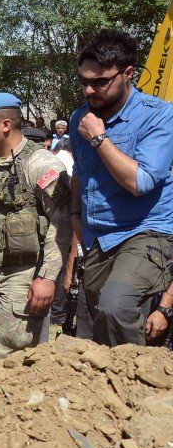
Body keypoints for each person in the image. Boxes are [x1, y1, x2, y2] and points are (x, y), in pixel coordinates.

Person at [69, 29, 173, 346]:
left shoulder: (159, 116)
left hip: (146, 229)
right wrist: (76, 216)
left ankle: (141, 382)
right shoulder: (79, 119)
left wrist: (100, 139)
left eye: (100, 81)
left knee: (117, 306)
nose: (90, 89)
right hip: (100, 236)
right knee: (100, 318)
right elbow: (79, 172)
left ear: (128, 74)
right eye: (84, 80)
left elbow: (140, 182)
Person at [0, 93, 71, 359]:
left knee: (10, 350)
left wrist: (46, 278)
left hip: (25, 273)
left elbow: (62, 223)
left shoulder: (40, 163)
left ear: (6, 125)